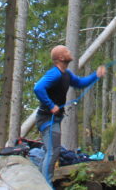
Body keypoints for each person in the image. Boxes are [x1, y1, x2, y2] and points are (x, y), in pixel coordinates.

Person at [34, 45, 107, 185]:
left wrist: (96, 75)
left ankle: (42, 183)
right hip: (47, 119)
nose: (70, 52)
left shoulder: (66, 74)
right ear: (61, 57)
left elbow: (80, 83)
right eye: (67, 51)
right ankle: (45, 185)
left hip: (54, 119)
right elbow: (38, 88)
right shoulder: (55, 73)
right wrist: (50, 105)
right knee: (53, 151)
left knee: (53, 152)